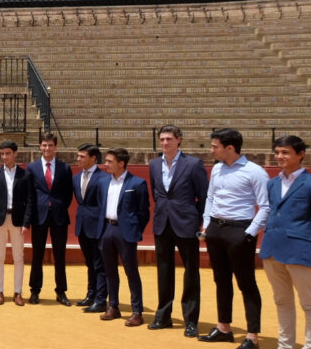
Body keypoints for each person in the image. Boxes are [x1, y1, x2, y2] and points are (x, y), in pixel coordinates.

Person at [256, 135, 311, 349]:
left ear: (301, 154)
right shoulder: (272, 184)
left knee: (310, 305)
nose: (280, 157)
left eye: (286, 152)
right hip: (273, 249)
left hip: (301, 252)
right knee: (282, 301)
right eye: (277, 152)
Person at [198, 127, 270, 349]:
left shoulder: (255, 172)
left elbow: (266, 206)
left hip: (240, 230)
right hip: (216, 230)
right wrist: (206, 224)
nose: (211, 150)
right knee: (221, 280)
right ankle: (224, 327)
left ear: (230, 148)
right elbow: (211, 197)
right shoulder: (217, 169)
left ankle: (252, 336)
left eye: (215, 146)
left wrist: (249, 233)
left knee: (246, 283)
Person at [148, 125, 209, 336]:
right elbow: (157, 194)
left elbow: (203, 196)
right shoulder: (154, 164)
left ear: (179, 140)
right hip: (162, 223)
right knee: (164, 270)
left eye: (169, 139)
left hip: (186, 223)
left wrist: (198, 220)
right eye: (162, 139)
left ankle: (191, 320)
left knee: (191, 272)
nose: (165, 143)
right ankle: (163, 316)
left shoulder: (193, 164)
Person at [97, 148, 151, 327]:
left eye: (110, 161)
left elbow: (144, 212)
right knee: (109, 270)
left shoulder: (137, 183)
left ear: (121, 163)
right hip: (107, 229)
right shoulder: (104, 182)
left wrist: (134, 229)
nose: (106, 164)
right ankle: (113, 306)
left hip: (125, 231)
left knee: (131, 271)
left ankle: (137, 311)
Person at [26, 132, 74, 305]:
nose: (47, 148)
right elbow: (30, 194)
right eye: (44, 145)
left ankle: (61, 291)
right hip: (39, 217)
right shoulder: (32, 168)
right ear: (40, 146)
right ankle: (34, 290)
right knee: (37, 255)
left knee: (60, 255)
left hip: (59, 217)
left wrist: (58, 206)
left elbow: (68, 194)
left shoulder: (64, 168)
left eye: (50, 145)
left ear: (56, 147)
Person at [0, 140, 35, 306]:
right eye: (2, 153)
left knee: (19, 257)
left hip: (17, 220)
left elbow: (30, 200)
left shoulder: (25, 175)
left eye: (8, 153)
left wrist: (26, 222)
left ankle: (18, 292)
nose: (4, 156)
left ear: (15, 154)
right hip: (0, 220)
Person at [72, 144, 109, 313]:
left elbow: (104, 205)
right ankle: (91, 295)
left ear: (94, 158)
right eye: (78, 156)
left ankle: (101, 300)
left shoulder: (103, 178)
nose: (78, 159)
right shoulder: (76, 177)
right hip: (83, 225)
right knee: (90, 262)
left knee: (99, 263)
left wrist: (103, 227)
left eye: (82, 156)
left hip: (97, 226)